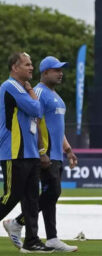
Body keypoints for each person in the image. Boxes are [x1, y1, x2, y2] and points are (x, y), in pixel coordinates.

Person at [3, 56, 78, 252]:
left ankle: (49, 238)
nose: (60, 73)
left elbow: (57, 128)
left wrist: (68, 149)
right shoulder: (37, 92)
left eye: (61, 70)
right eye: (56, 70)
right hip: (41, 153)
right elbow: (35, 121)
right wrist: (42, 150)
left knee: (45, 196)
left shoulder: (56, 96)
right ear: (45, 72)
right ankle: (18, 223)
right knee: (49, 192)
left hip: (53, 153)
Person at [0, 52, 54, 253]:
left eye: (31, 64)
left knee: (32, 199)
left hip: (29, 152)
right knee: (11, 195)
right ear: (15, 68)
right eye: (27, 64)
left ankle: (32, 241)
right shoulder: (11, 86)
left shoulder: (20, 88)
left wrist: (40, 150)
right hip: (14, 151)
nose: (31, 67)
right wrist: (31, 89)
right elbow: (37, 109)